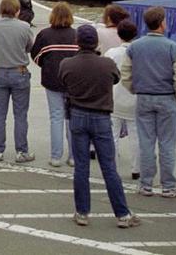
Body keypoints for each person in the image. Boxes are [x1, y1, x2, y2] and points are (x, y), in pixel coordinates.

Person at [59, 24, 142, 229]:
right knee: (109, 167)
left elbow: (63, 82)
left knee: (81, 167)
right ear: (96, 42)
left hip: (78, 114)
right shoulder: (106, 64)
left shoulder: (67, 64)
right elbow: (116, 78)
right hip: (101, 115)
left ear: (77, 42)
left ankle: (82, 212)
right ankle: (122, 213)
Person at [121, 6, 176, 198]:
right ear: (162, 23)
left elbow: (125, 72)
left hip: (144, 97)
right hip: (167, 97)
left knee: (146, 142)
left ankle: (146, 184)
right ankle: (169, 185)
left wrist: (134, 88)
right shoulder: (172, 47)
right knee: (167, 143)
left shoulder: (135, 47)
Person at [30, 2, 79, 167]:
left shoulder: (45, 35)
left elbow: (36, 56)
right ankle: (73, 157)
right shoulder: (76, 35)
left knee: (56, 117)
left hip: (52, 80)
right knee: (72, 118)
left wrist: (47, 67)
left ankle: (56, 156)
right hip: (73, 82)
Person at [0, 0, 35, 163]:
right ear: (17, 11)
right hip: (19, 71)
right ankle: (21, 151)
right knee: (20, 115)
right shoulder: (24, 27)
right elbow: (29, 47)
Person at [105, 19, 141, 181]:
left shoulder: (112, 53)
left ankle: (112, 167)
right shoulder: (139, 53)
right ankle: (136, 168)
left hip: (115, 98)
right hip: (134, 98)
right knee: (135, 135)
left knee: (112, 135)